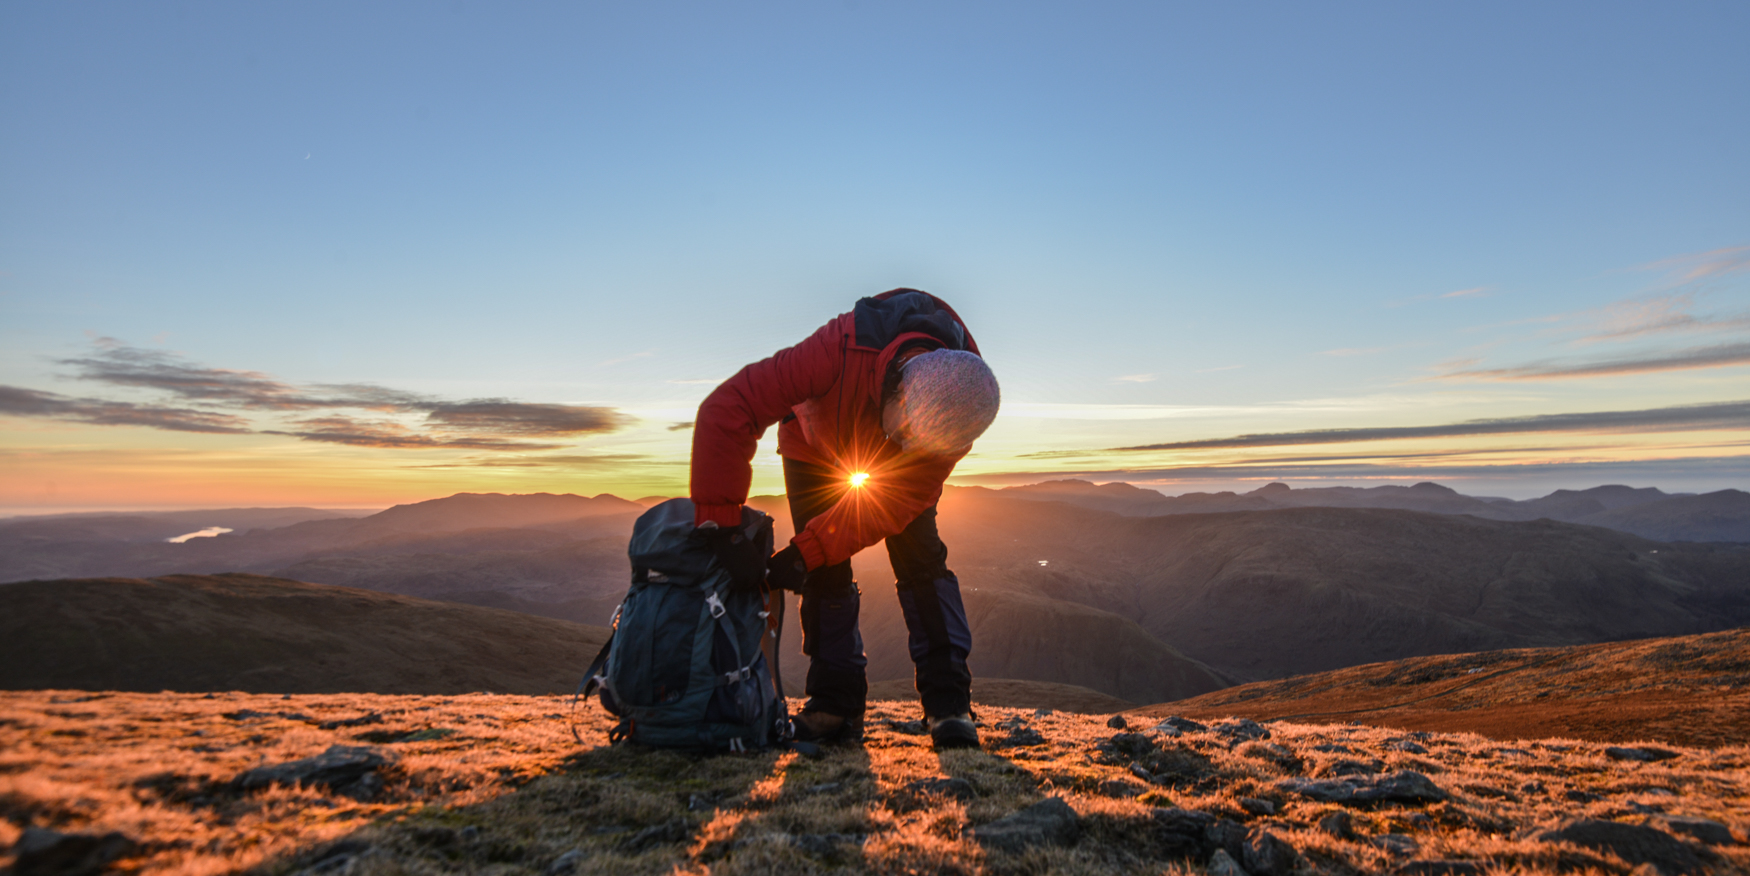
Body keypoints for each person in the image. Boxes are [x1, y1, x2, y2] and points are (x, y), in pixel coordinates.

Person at [689, 289, 1000, 749]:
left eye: (922, 444)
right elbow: (731, 407)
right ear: (898, 383)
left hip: (890, 471)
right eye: (906, 429)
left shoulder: (959, 416)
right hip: (812, 442)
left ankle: (949, 705)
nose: (902, 445)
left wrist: (807, 550)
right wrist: (722, 526)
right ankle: (834, 705)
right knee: (825, 574)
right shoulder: (840, 348)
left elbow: (889, 505)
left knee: (921, 561)